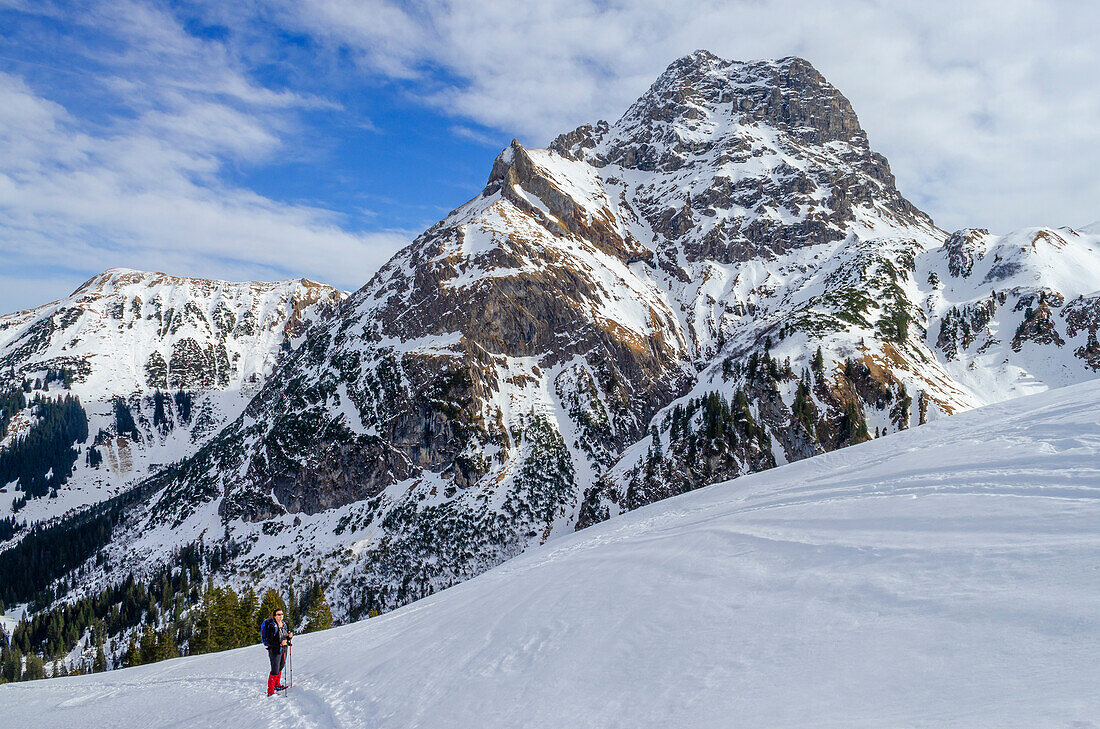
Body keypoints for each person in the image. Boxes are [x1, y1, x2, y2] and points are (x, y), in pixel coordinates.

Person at [260, 608, 293, 695]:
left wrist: (289, 637)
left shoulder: (285, 624)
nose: (281, 616)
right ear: (275, 616)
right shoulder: (271, 626)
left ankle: (277, 685)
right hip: (274, 650)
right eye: (278, 614)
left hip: (284, 649)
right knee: (275, 670)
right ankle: (270, 691)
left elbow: (286, 637)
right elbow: (269, 640)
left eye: (282, 614)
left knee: (281, 666)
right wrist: (280, 644)